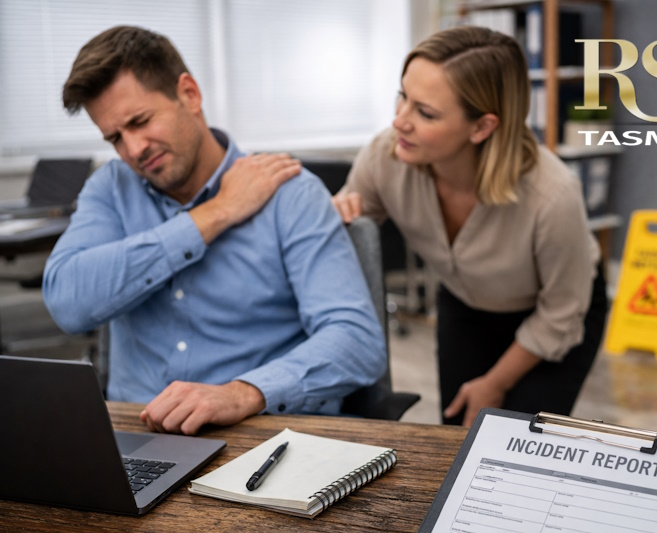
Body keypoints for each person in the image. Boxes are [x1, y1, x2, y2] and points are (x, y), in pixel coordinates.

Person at [43, 26, 386, 435]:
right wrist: (215, 214)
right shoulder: (111, 189)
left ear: (189, 94)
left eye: (141, 121)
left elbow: (356, 341)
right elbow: (67, 301)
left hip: (258, 435)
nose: (133, 150)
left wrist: (242, 393)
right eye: (115, 137)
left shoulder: (290, 194)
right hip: (134, 436)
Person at [332, 26, 608, 427]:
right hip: (466, 301)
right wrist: (336, 214)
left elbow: (561, 314)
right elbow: (348, 224)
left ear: (482, 127)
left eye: (424, 112)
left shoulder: (552, 194)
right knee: (459, 432)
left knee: (518, 444)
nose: (399, 121)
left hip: (556, 312)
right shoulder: (384, 156)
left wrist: (495, 382)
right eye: (402, 97)